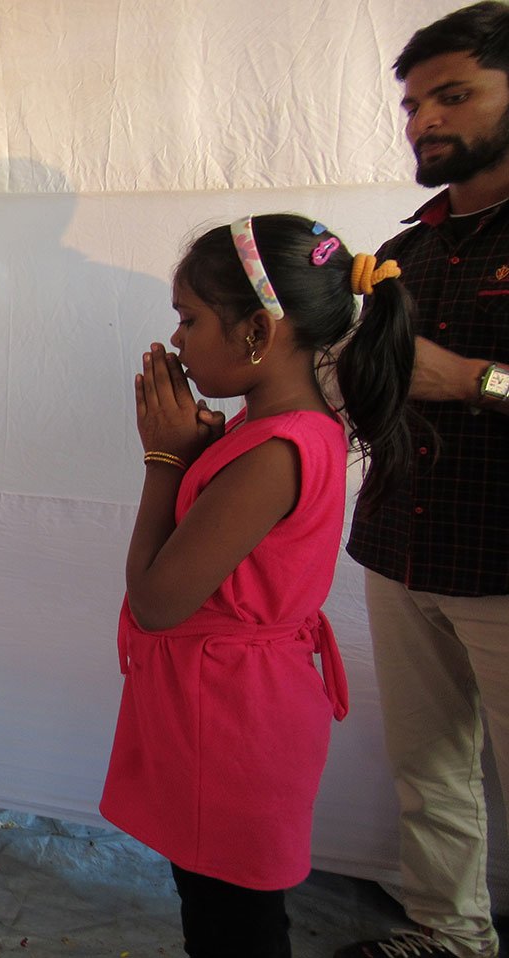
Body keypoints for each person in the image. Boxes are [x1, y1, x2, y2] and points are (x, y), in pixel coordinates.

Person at [99, 213, 416, 958]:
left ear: (257, 332)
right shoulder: (279, 426)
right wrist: (202, 453)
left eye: (190, 319)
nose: (176, 340)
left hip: (234, 727)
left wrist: (164, 461)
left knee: (232, 925)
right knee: (218, 906)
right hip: (229, 708)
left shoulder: (274, 450)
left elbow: (156, 601)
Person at [337, 4, 509, 957]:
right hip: (401, 545)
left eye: (454, 95)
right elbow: (378, 393)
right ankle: (452, 934)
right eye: (411, 104)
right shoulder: (403, 253)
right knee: (428, 766)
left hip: (504, 562)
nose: (424, 122)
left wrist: (478, 381)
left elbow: (452, 379)